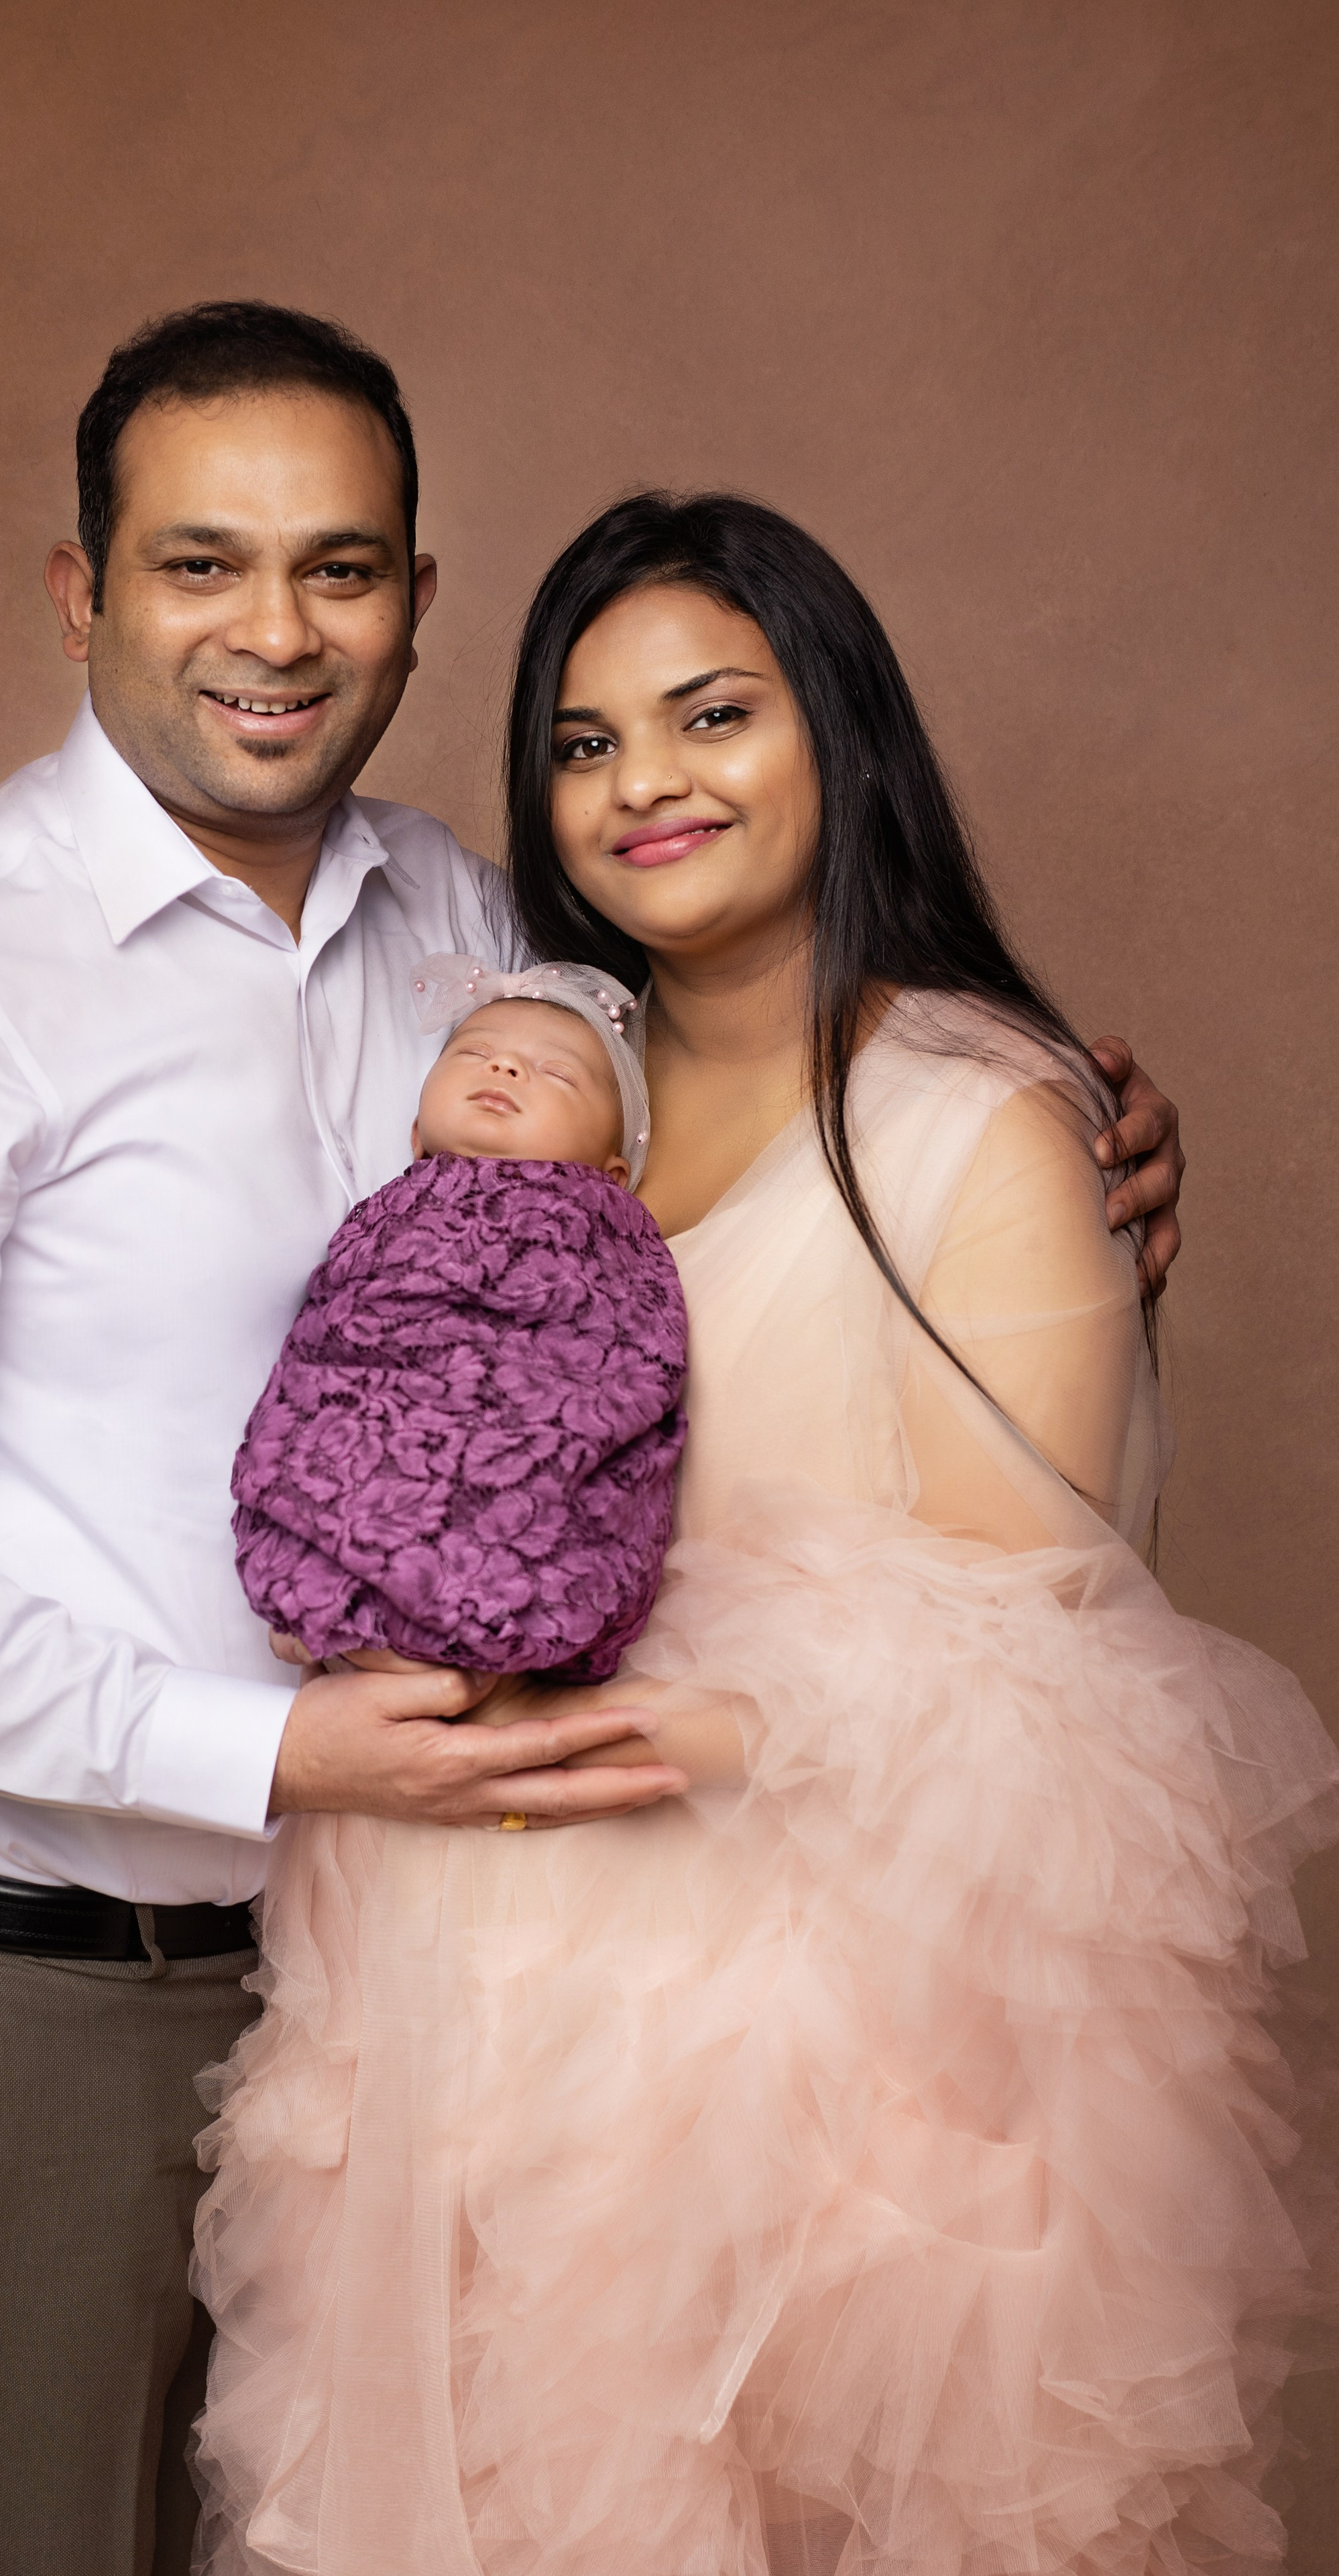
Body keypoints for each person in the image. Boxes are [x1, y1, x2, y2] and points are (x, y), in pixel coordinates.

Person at [190, 493, 1334, 2576]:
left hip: (820, 2071)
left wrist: (631, 1732)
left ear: (840, 730)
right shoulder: (527, 1101)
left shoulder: (975, 1117)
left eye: (712, 714)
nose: (646, 781)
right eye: (585, 740)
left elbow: (1050, 1669)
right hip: (475, 2026)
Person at [0, 304, 699, 2576]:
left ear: (419, 602)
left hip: (401, 1976)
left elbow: (714, 1110)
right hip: (42, 2002)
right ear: (83, 593)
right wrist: (267, 1755)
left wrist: (1034, 1111)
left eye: (342, 568)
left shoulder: (466, 919)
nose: (277, 632)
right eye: (202, 563)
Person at [232, 958, 687, 1687]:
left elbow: (624, 1362)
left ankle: (438, 1627)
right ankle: (342, 1594)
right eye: (474, 1053)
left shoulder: (604, 1233)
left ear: (612, 1177)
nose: (504, 1067)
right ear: (416, 1136)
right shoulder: (392, 1206)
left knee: (529, 1483)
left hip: (521, 1427)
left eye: (557, 1073)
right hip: (378, 1413)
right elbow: (335, 1333)